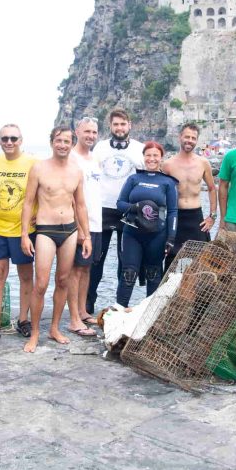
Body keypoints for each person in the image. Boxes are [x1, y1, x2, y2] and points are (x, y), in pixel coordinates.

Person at [19, 126, 92, 352]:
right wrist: (24, 234)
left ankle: (54, 328)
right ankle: (34, 333)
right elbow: (28, 202)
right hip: (45, 230)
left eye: (67, 141)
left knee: (63, 281)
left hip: (69, 230)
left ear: (72, 143)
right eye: (58, 140)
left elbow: (80, 204)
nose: (62, 145)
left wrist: (86, 236)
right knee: (40, 283)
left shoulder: (76, 171)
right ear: (52, 142)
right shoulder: (39, 168)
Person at [0, 124, 35, 345]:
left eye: (13, 138)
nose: (9, 142)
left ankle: (23, 319)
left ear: (21, 140)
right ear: (0, 141)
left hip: (23, 230)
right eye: (5, 139)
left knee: (25, 276)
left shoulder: (33, 163)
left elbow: (39, 191)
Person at [88, 109, 145, 310]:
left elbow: (145, 178)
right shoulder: (100, 148)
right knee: (96, 260)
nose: (119, 128)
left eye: (123, 124)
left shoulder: (139, 148)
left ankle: (121, 306)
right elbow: (90, 178)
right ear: (110, 127)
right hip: (102, 209)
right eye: (115, 124)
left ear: (129, 126)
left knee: (125, 261)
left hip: (127, 210)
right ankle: (88, 307)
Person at [116, 141, 178, 307]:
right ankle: (118, 314)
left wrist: (171, 237)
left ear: (161, 158)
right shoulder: (134, 178)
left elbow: (173, 211)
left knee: (153, 274)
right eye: (148, 155)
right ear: (143, 157)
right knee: (128, 273)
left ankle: (148, 318)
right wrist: (135, 207)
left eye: (155, 155)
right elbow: (120, 203)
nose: (151, 159)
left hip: (157, 235)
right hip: (132, 233)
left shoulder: (168, 183)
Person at [161, 123, 217, 269]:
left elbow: (212, 189)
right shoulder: (168, 165)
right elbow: (159, 193)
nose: (189, 140)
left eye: (193, 138)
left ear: (196, 140)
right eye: (187, 137)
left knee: (200, 262)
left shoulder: (203, 163)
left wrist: (212, 217)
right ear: (180, 137)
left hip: (196, 218)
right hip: (175, 217)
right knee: (172, 261)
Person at [67, 116, 102, 335]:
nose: (90, 136)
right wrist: (80, 228)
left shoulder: (94, 158)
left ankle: (83, 311)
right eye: (86, 131)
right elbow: (71, 196)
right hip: (80, 224)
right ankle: (72, 318)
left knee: (87, 267)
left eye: (94, 132)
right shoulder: (71, 158)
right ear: (77, 132)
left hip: (96, 222)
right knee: (75, 270)